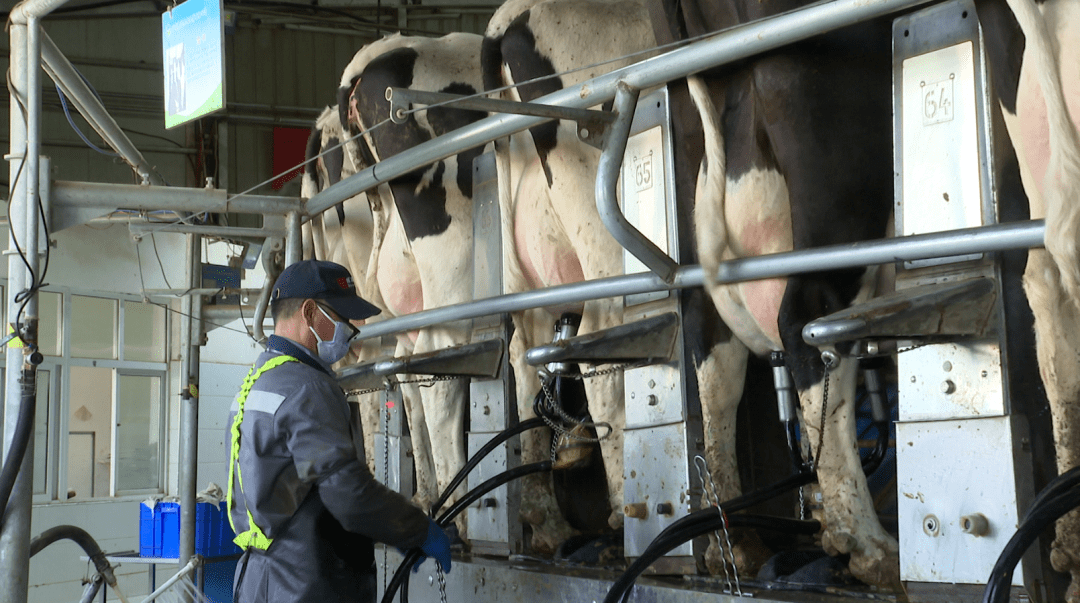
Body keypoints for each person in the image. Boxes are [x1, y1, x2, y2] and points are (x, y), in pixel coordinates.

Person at [226, 259, 451, 602]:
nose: (352, 328)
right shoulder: (307, 387)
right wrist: (416, 529)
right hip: (308, 584)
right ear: (310, 312)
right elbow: (348, 494)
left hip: (262, 580)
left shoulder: (261, 381)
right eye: (342, 317)